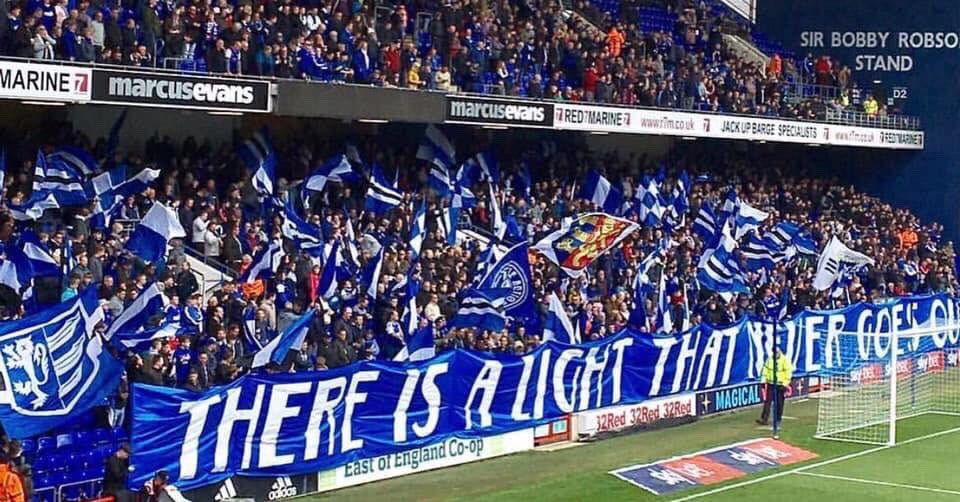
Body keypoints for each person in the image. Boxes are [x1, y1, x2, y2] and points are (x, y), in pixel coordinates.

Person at [757, 345, 794, 434]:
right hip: (771, 383)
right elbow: (765, 371)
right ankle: (764, 418)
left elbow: (788, 373)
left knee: (779, 402)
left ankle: (778, 418)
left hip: (780, 385)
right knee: (767, 401)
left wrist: (785, 384)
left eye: (777, 352)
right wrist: (763, 381)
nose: (776, 354)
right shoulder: (769, 360)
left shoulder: (784, 360)